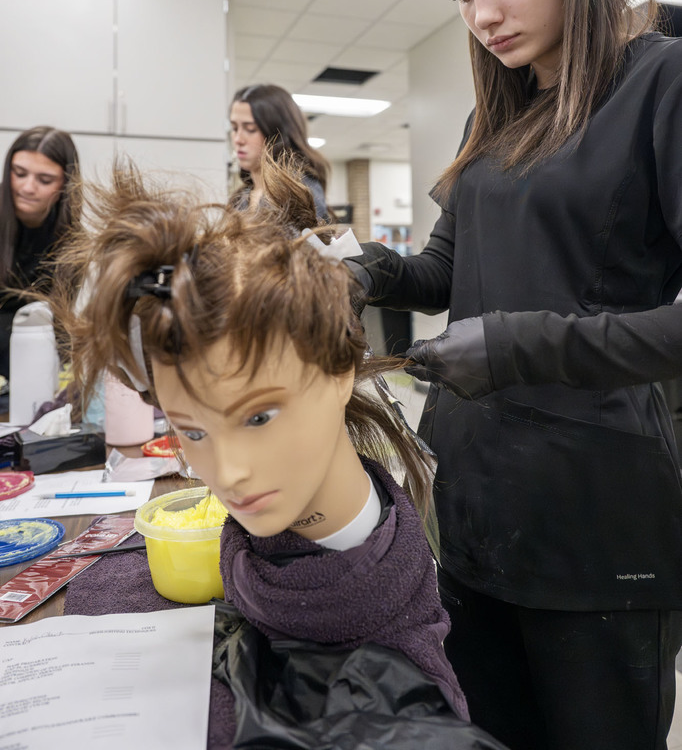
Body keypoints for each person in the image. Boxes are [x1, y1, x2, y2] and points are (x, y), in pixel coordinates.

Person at [345, 0, 682, 750]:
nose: (483, 15)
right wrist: (367, 270)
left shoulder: (662, 84)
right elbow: (445, 274)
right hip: (471, 502)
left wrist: (521, 346)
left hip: (594, 521)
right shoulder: (489, 116)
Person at [49, 160, 507, 750]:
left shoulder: (402, 696)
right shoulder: (269, 547)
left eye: (259, 417)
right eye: (192, 432)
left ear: (342, 370)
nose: (229, 472)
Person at [0, 125, 80, 380]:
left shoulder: (74, 242)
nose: (27, 187)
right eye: (19, 173)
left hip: (37, 354)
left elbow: (60, 322)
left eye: (44, 180)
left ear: (65, 183)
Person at [229, 83, 331, 220]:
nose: (238, 139)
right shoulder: (239, 199)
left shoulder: (299, 191)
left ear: (277, 133)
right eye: (234, 128)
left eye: (250, 129)